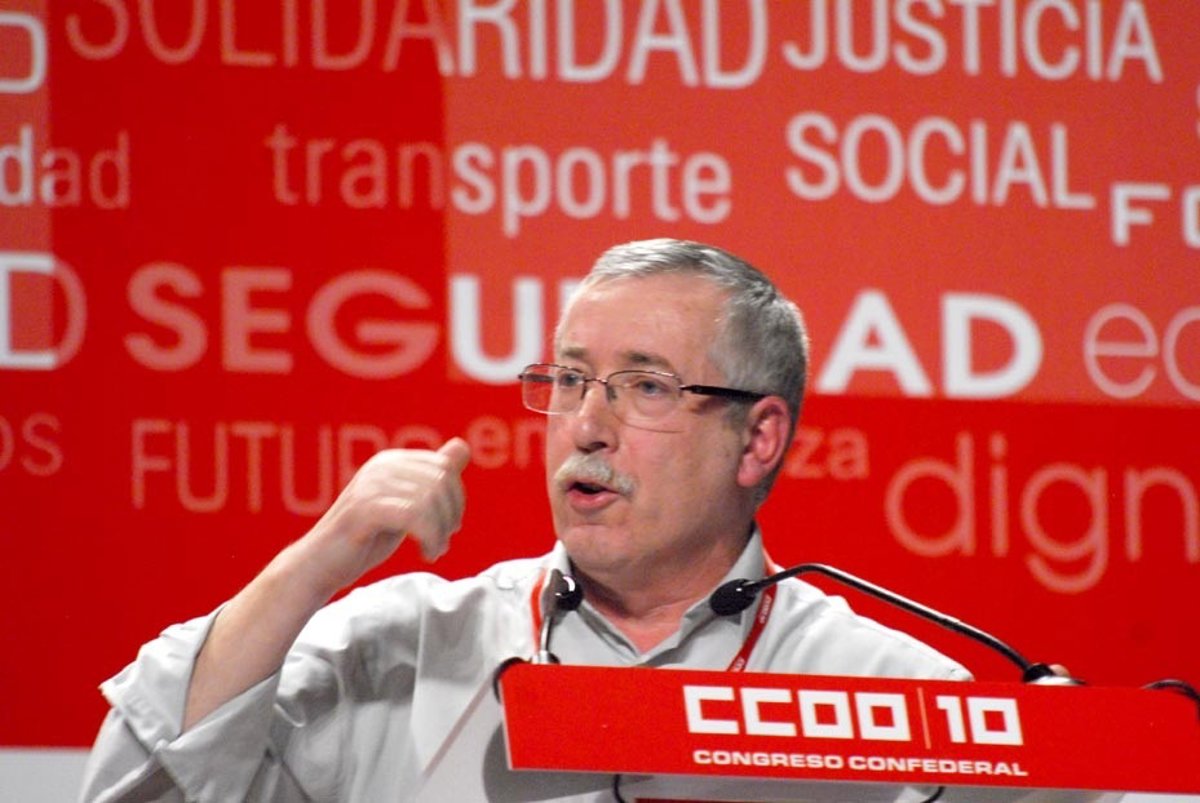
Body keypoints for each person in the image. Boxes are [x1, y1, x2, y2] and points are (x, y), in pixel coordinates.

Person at [80, 239, 968, 802]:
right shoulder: (406, 649)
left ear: (758, 438)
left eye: (645, 386)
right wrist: (314, 562)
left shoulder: (896, 700)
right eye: (571, 380)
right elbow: (146, 782)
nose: (586, 424)